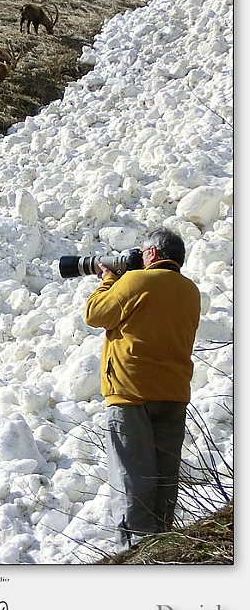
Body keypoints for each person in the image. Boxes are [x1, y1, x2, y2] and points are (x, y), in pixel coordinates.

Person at [84, 228, 201, 552]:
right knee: (165, 483)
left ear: (151, 254)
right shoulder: (190, 291)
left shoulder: (135, 283)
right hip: (173, 395)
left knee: (133, 482)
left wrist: (109, 278)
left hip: (132, 394)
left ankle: (137, 556)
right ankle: (163, 548)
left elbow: (95, 313)